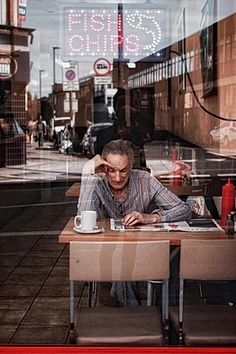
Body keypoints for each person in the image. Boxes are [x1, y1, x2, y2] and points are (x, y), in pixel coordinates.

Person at [77, 139, 191, 306]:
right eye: (111, 170)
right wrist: (87, 173)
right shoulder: (97, 180)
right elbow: (83, 218)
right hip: (106, 251)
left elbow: (184, 209)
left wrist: (150, 217)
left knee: (171, 254)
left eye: (123, 171)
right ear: (103, 168)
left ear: (131, 167)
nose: (117, 178)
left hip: (144, 249)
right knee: (122, 256)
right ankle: (133, 317)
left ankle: (164, 316)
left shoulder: (144, 179)